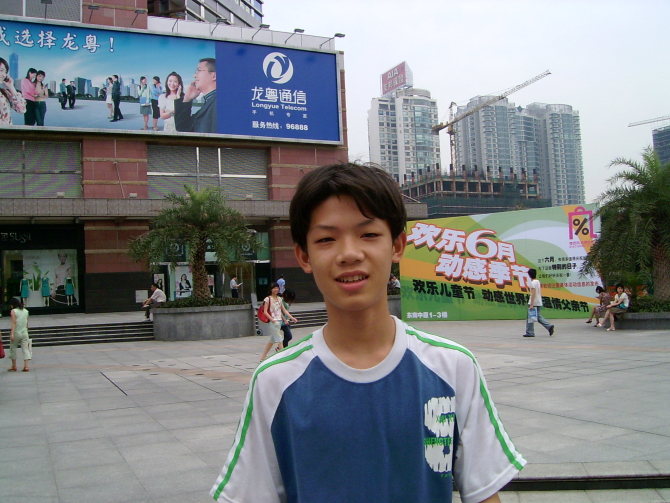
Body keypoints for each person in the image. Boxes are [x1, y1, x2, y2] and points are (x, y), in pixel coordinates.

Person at [211, 163, 526, 503]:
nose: (349, 253)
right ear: (304, 256)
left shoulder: (453, 367)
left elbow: (483, 493)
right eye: (326, 239)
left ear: (397, 245)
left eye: (369, 234)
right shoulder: (274, 381)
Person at [174, 57, 217, 133]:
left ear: (214, 76)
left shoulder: (219, 104)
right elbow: (183, 128)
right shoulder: (210, 101)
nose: (194, 75)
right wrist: (187, 99)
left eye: (199, 70)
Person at [258, 282, 297, 362]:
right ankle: (282, 358)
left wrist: (292, 318)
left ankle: (262, 357)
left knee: (271, 341)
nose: (276, 289)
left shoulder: (279, 299)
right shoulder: (267, 299)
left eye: (277, 288)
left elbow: (284, 310)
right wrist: (272, 320)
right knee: (279, 339)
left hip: (279, 322)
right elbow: (265, 312)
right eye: (274, 288)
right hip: (273, 323)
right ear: (271, 289)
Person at [523, 268, 555, 337]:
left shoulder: (533, 283)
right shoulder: (537, 281)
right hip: (538, 302)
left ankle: (530, 332)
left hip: (534, 302)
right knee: (536, 316)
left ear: (529, 275)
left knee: (531, 317)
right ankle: (548, 326)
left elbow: (533, 294)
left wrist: (531, 304)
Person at [7, 297, 31, 372]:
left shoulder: (13, 311)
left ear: (12, 304)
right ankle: (26, 366)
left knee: (13, 348)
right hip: (24, 332)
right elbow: (26, 323)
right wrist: (27, 332)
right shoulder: (26, 311)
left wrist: (12, 334)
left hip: (16, 333)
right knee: (25, 349)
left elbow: (14, 323)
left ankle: (14, 366)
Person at [0, 57, 26, 125]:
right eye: (1, 70)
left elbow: (22, 110)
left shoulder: (4, 92)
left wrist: (11, 87)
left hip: (7, 131)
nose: (4, 75)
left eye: (5, 72)